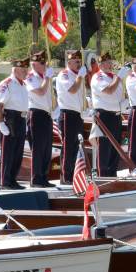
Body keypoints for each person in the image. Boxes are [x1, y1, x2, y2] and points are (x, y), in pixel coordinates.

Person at [0, 57, 29, 188]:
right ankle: (5, 181)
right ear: (15, 69)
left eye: (26, 69)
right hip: (10, 118)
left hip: (21, 119)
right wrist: (1, 123)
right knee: (8, 152)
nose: (26, 72)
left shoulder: (24, 84)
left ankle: (13, 179)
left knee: (18, 152)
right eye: (23, 69)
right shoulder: (7, 83)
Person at [90, 52, 124, 177]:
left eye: (109, 62)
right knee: (104, 148)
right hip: (104, 116)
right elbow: (109, 91)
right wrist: (118, 78)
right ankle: (102, 175)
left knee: (115, 148)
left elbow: (119, 95)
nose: (109, 65)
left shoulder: (113, 77)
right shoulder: (98, 77)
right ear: (100, 64)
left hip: (116, 115)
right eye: (105, 63)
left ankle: (112, 174)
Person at [55, 50, 87, 185]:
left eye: (79, 61)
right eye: (76, 61)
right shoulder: (64, 74)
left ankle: (73, 175)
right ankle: (66, 177)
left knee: (75, 146)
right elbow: (72, 90)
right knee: (68, 147)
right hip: (67, 114)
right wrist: (80, 76)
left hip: (77, 114)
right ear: (69, 62)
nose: (79, 63)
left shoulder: (78, 75)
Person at [26, 51, 55, 187]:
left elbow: (50, 96)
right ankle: (36, 178)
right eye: (42, 63)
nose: (45, 65)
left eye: (45, 63)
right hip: (36, 114)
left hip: (47, 114)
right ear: (34, 64)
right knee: (38, 148)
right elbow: (40, 92)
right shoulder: (30, 77)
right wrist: (47, 78)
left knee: (46, 148)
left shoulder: (43, 77)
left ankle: (43, 176)